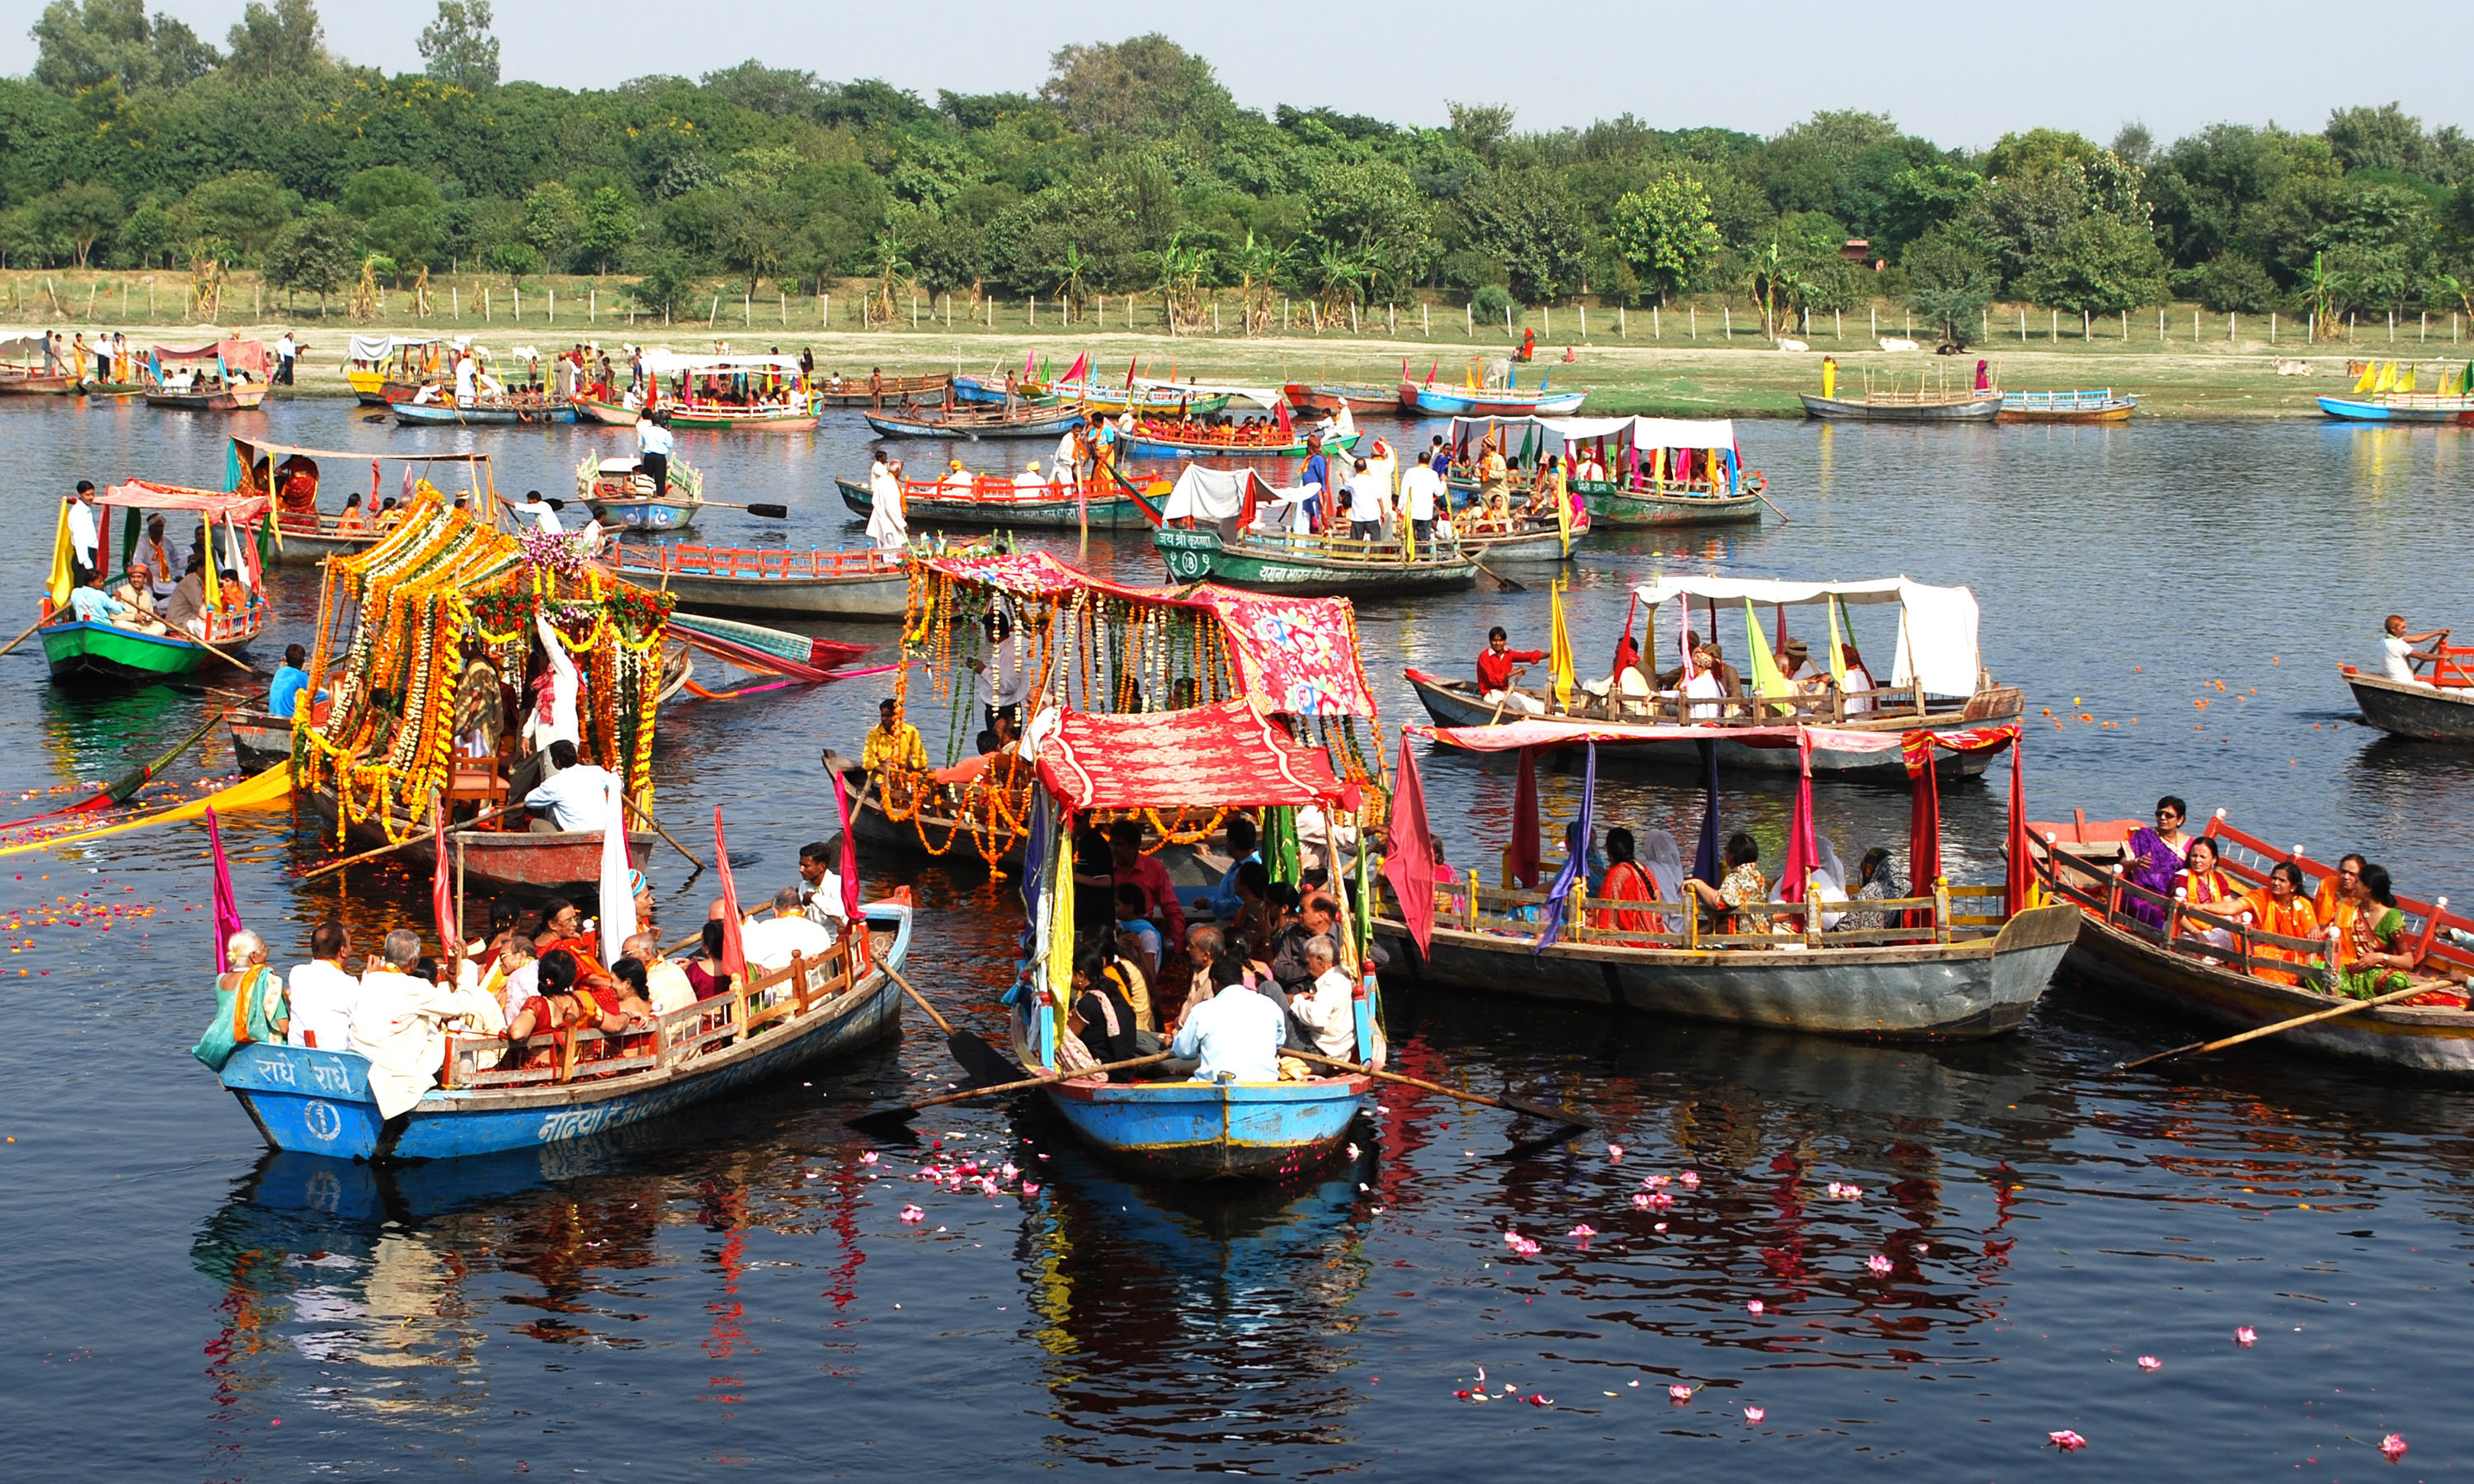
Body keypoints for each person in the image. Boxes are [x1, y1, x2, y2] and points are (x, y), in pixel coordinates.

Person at [350, 929, 473, 1120]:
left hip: (365, 1062)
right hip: (395, 1070)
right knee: (461, 1030)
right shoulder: (414, 987)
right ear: (413, 962)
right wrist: (466, 964)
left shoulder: (368, 980)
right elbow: (462, 1006)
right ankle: (465, 1092)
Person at [1169, 952, 1287, 1082]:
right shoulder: (1270, 1005)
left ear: (1214, 982)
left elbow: (1184, 1051)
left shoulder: (1202, 1011)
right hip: (1265, 1085)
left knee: (1164, 1079)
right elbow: (1278, 1041)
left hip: (1214, 1087)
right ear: (1241, 980)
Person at [192, 929, 289, 1070]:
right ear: (254, 956)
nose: (266, 952)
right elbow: (284, 1027)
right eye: (264, 949)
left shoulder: (221, 980)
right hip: (267, 1054)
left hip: (228, 1049)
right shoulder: (267, 980)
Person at [2331, 862, 2418, 999]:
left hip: (2379, 972)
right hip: (2351, 969)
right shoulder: (2350, 907)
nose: (2353, 884)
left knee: (2396, 983)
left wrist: (2379, 957)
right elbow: (2331, 929)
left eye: (2358, 882)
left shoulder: (2391, 916)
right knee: (2317, 972)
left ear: (2369, 889)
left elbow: (2408, 962)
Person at [2118, 796, 2194, 928]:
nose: (2162, 818)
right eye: (2159, 814)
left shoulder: (2190, 844)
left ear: (2180, 820)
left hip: (2175, 894)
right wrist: (2136, 863)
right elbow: (2121, 866)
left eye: (2168, 815)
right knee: (2148, 911)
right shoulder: (2143, 835)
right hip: (2142, 894)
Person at [1108, 820, 1188, 943]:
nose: (1114, 849)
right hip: (1109, 934)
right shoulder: (1104, 868)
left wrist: (1179, 943)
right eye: (1112, 844)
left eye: (1119, 845)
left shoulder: (1154, 868)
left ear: (1135, 846)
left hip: (1143, 936)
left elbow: (1171, 908)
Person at [285, 919, 359, 1051]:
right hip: (336, 1056)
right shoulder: (349, 983)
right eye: (349, 945)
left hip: (297, 1051)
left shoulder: (297, 973)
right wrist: (372, 980)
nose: (351, 949)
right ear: (343, 951)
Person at [2242, 861, 2320, 987]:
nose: (2276, 883)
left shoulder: (2303, 906)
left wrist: (2304, 974)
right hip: (2267, 952)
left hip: (2292, 957)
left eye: (2282, 880)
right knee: (2254, 953)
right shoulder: (2264, 896)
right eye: (2274, 878)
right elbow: (2235, 906)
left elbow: (2312, 939)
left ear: (2293, 887)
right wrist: (2204, 907)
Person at [1066, 946, 1145, 1066]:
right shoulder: (1113, 990)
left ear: (1081, 975)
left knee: (1061, 1043)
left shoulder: (1088, 1003)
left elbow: (1067, 1037)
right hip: (1124, 1066)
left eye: (1070, 973)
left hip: (1105, 1070)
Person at [523, 740, 617, 833]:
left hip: (577, 839)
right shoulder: (597, 772)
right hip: (605, 836)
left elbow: (529, 801)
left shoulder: (553, 783)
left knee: (536, 823)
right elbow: (618, 785)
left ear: (557, 762)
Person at [1683, 832, 1767, 936]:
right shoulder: (1758, 877)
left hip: (1745, 937)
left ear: (1732, 855)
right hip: (1761, 933)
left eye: (1727, 849)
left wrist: (1698, 883)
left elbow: (1718, 902)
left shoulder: (1739, 877)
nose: (1725, 853)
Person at [1289, 936, 1358, 1059]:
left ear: (1320, 960)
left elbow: (1317, 1018)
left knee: (1271, 988)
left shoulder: (1333, 982)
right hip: (1335, 1051)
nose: (1307, 969)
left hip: (1320, 1054)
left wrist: (1297, 1000)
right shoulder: (1344, 977)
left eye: (1308, 963)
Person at [743, 885, 837, 974]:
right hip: (819, 986)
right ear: (803, 909)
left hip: (782, 989)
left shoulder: (765, 929)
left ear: (775, 911)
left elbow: (749, 962)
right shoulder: (820, 930)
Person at [523, 613, 581, 757]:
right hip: (545, 743)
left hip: (561, 741)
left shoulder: (566, 671)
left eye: (540, 656)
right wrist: (526, 734)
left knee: (557, 780)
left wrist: (539, 619)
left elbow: (551, 647)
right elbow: (537, 709)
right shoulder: (547, 681)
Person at [2174, 836, 2244, 951]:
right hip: (2187, 930)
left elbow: (2228, 906)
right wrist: (2198, 934)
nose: (2197, 860)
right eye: (2194, 856)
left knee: (2237, 941)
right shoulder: (2181, 878)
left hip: (2216, 929)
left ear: (2214, 860)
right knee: (2198, 948)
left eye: (2203, 857)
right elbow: (2176, 914)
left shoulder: (2218, 878)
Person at [1594, 828, 1664, 932]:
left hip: (1630, 936)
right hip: (1653, 931)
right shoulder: (1642, 868)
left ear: (1609, 851)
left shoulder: (1618, 873)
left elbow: (1605, 917)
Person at [1197, 815, 1261, 921]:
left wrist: (1209, 903)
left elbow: (1239, 904)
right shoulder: (1238, 863)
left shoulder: (1252, 868)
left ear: (1232, 844)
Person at [1837, 848, 1908, 931]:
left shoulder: (1868, 892)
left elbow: (1845, 927)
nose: (1866, 873)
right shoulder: (1908, 887)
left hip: (1873, 941)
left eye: (1869, 869)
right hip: (1908, 939)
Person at [863, 697, 927, 782]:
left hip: (903, 778)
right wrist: (888, 772)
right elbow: (868, 761)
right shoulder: (874, 734)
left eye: (888, 716)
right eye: (883, 716)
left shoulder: (911, 732)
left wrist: (903, 766)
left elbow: (922, 761)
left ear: (898, 717)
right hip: (880, 779)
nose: (884, 719)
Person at [1112, 882, 1164, 982]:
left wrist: (1139, 948)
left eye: (1117, 905)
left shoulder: (1147, 935)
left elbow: (1151, 975)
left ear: (1130, 907)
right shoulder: (1118, 925)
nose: (1114, 909)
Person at [2380, 613, 2450, 684]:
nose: (2405, 630)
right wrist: (2443, 656)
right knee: (2430, 687)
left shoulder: (2384, 640)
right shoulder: (2399, 645)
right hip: (2403, 682)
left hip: (2391, 678)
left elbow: (2416, 639)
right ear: (2393, 629)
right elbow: (2424, 657)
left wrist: (2438, 632)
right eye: (2403, 628)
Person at [1479, 626, 1546, 695]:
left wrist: (1550, 655)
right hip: (1489, 693)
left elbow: (1528, 656)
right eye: (1495, 640)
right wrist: (1515, 672)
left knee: (1533, 704)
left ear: (1505, 641)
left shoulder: (1508, 654)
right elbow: (1493, 680)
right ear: (1490, 641)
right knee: (1517, 704)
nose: (1498, 643)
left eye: (1501, 640)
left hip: (1505, 691)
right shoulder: (1484, 656)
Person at [866, 450, 909, 551]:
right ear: (898, 471)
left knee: (884, 553)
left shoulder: (882, 480)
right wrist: (903, 524)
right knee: (892, 555)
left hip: (881, 521)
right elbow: (891, 509)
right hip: (889, 525)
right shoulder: (890, 484)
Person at [683, 920, 734, 1001]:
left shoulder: (695, 970)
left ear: (707, 947)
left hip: (702, 1013)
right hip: (729, 1012)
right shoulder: (734, 967)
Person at [269, 643, 322, 720]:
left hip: (272, 714)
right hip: (288, 718)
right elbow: (319, 696)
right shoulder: (300, 676)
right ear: (303, 661)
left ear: (286, 660)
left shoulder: (279, 672)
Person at [2313, 853, 2368, 926]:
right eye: (2343, 872)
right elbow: (2315, 909)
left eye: (2352, 874)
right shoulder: (2328, 883)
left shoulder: (2365, 897)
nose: (2346, 877)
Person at [1401, 453, 1442, 548]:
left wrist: (1400, 507)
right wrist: (1443, 482)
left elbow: (1404, 492)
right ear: (1429, 462)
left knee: (1410, 536)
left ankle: (1411, 555)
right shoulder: (1433, 474)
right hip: (1426, 513)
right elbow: (1439, 492)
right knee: (1424, 538)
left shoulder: (1410, 472)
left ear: (1418, 460)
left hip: (1412, 512)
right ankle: (1424, 557)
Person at [65, 481, 99, 588]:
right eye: (87, 495)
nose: (91, 497)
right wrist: (87, 564)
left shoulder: (85, 509)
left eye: (92, 494)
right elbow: (79, 538)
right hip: (84, 558)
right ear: (80, 494)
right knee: (83, 592)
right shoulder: (78, 512)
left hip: (90, 553)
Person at [1345, 457, 1385, 542]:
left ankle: (1356, 554)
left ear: (1355, 469)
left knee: (1356, 544)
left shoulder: (1352, 482)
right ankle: (1375, 555)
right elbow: (1380, 499)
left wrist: (1342, 476)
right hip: (1372, 516)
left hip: (1357, 518)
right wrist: (1382, 513)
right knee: (1376, 543)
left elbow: (1345, 486)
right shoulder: (1374, 481)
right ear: (1366, 467)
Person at [139, 515, 177, 600]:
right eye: (156, 526)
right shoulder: (143, 543)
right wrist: (146, 570)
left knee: (182, 592)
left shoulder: (167, 541)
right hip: (151, 580)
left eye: (161, 526)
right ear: (150, 528)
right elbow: (137, 560)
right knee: (147, 596)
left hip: (168, 580)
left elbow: (176, 559)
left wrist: (188, 558)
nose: (159, 529)